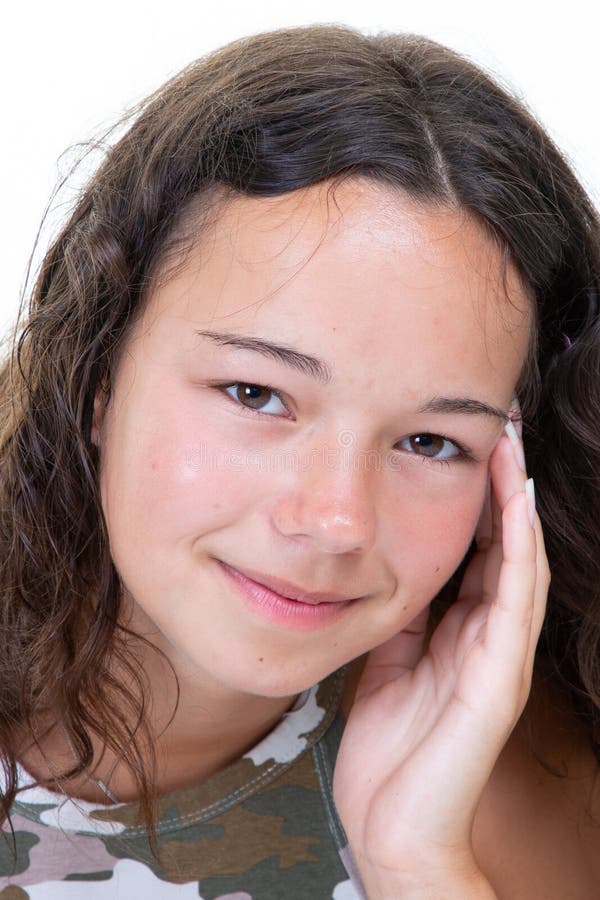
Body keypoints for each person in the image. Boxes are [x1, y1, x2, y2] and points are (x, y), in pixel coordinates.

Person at [1, 22, 599, 898]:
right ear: (97, 372)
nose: (335, 520)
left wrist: (417, 861)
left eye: (431, 442)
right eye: (255, 394)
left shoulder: (493, 777)